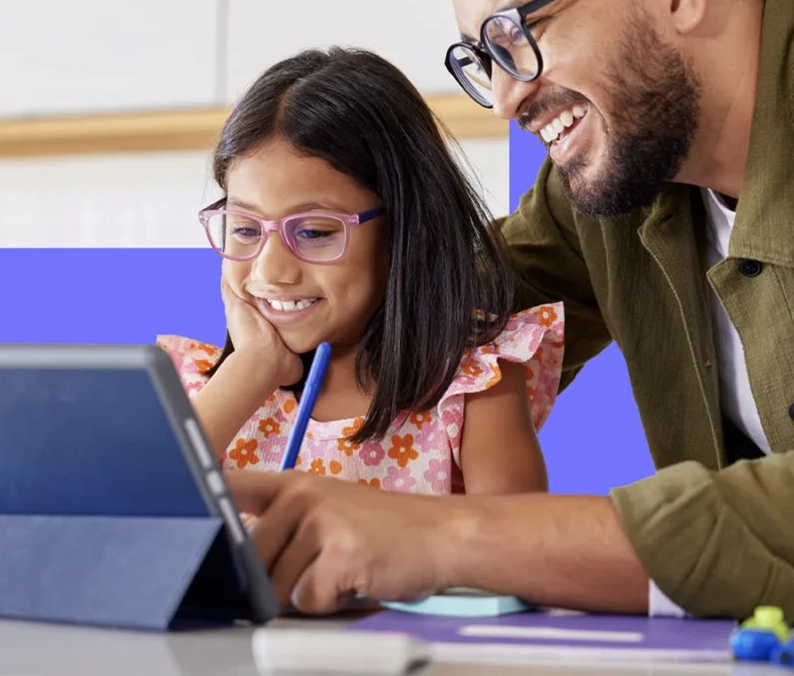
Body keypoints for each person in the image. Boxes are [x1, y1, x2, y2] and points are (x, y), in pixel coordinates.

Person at [229, 0, 794, 626]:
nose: (504, 99)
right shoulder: (617, 170)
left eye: (520, 33)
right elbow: (427, 306)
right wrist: (271, 323)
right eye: (484, 57)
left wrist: (445, 539)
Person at [158, 47, 564, 495]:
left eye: (313, 232)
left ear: (411, 231)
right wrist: (253, 366)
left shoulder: (473, 386)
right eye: (245, 229)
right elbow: (134, 517)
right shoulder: (203, 393)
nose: (270, 271)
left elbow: (514, 538)